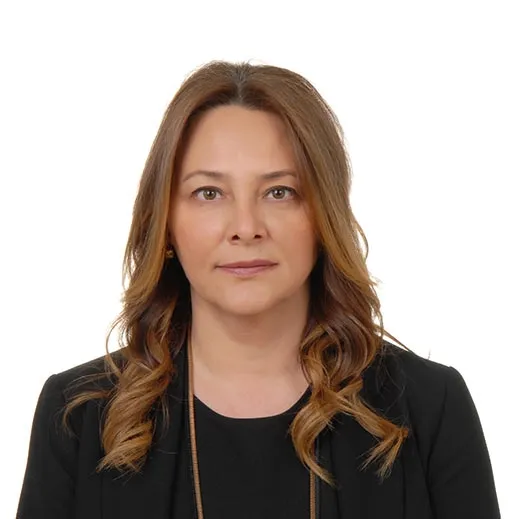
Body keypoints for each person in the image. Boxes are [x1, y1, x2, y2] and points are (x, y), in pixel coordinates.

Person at [17, 60, 500, 519]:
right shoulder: (79, 415)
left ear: (323, 218)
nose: (245, 227)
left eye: (279, 192)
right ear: (165, 223)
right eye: (209, 193)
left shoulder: (429, 408)